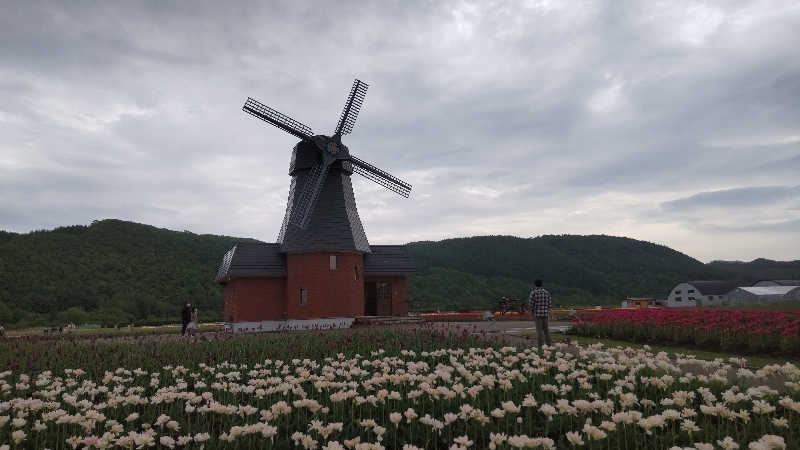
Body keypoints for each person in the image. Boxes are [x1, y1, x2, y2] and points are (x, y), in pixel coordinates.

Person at [528, 279, 552, 349]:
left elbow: (530, 304)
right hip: (545, 314)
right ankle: (549, 346)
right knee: (546, 331)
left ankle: (540, 347)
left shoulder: (533, 293)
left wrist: (531, 312)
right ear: (542, 284)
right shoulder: (547, 292)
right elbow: (549, 304)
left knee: (539, 331)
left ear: (535, 284)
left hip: (537, 315)